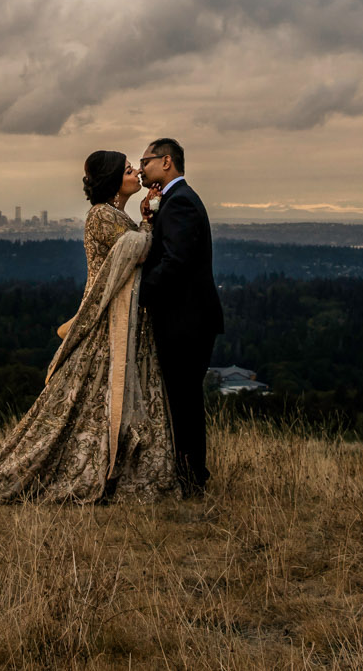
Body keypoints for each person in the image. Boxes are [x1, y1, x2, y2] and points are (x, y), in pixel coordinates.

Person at [0, 151, 177, 509]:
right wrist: (149, 221)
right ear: (111, 180)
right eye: (127, 169)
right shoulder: (101, 215)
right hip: (103, 323)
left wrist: (143, 217)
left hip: (115, 320)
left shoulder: (115, 214)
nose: (135, 172)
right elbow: (137, 251)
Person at [136, 136, 224, 497]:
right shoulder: (172, 201)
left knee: (185, 401)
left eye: (145, 161)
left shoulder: (181, 203)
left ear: (166, 161)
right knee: (180, 399)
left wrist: (137, 293)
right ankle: (187, 475)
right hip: (183, 321)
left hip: (187, 323)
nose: (141, 168)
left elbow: (175, 263)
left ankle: (192, 480)